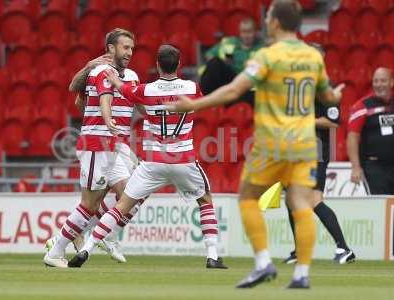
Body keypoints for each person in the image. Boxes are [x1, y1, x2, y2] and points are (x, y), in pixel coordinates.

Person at [166, 0, 344, 289]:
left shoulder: (267, 56)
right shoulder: (314, 58)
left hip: (273, 142)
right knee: (300, 202)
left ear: (275, 22)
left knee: (247, 197)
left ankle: (263, 263)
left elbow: (234, 89)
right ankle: (301, 274)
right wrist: (336, 96)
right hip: (305, 144)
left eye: (270, 16)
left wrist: (194, 105)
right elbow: (328, 97)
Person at [67, 44, 228, 270]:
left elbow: (125, 91)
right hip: (182, 159)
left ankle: (87, 248)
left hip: (153, 161)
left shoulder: (147, 90)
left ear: (157, 65)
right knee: (205, 201)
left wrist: (114, 81)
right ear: (179, 64)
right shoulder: (192, 88)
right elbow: (204, 100)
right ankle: (212, 255)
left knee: (121, 206)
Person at [43, 28, 142, 268]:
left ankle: (104, 235)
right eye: (125, 47)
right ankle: (56, 250)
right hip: (96, 144)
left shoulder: (133, 76)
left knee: (132, 195)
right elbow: (76, 94)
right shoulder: (98, 71)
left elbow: (139, 104)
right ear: (110, 48)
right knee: (90, 205)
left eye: (131, 47)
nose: (130, 52)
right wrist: (103, 120)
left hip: (115, 146)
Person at [284, 101, 355, 265]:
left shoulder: (326, 92)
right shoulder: (298, 88)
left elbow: (332, 122)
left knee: (314, 200)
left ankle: (344, 248)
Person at [347, 67, 394, 195]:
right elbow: (352, 138)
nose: (379, 85)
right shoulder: (362, 106)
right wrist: (356, 167)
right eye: (376, 81)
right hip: (375, 167)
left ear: (391, 82)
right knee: (381, 205)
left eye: (383, 81)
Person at [199, 18, 263, 106]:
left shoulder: (262, 49)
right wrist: (224, 63)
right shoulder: (229, 43)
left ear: (255, 32)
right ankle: (203, 98)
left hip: (246, 84)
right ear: (240, 33)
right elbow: (209, 55)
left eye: (249, 32)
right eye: (244, 32)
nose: (246, 35)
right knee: (215, 63)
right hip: (229, 79)